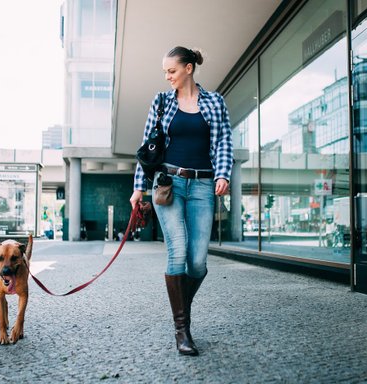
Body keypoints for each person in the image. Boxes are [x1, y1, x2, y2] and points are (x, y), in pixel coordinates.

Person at [130, 46, 233, 356]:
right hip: (169, 185)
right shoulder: (162, 102)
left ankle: (180, 305)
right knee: (178, 250)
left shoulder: (215, 102)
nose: (167, 76)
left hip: (203, 185)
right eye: (165, 72)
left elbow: (225, 139)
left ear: (188, 68)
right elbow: (147, 147)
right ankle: (182, 330)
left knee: (198, 262)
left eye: (172, 71)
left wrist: (223, 174)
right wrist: (139, 188)